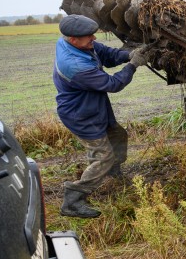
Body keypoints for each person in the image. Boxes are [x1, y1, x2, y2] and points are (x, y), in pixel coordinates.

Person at [53, 14, 148, 218]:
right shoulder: (75, 65)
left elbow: (107, 54)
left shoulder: (78, 44)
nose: (94, 39)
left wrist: (129, 54)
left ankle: (113, 173)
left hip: (94, 106)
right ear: (73, 39)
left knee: (118, 136)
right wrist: (133, 64)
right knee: (102, 156)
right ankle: (73, 199)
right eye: (89, 36)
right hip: (81, 114)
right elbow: (113, 84)